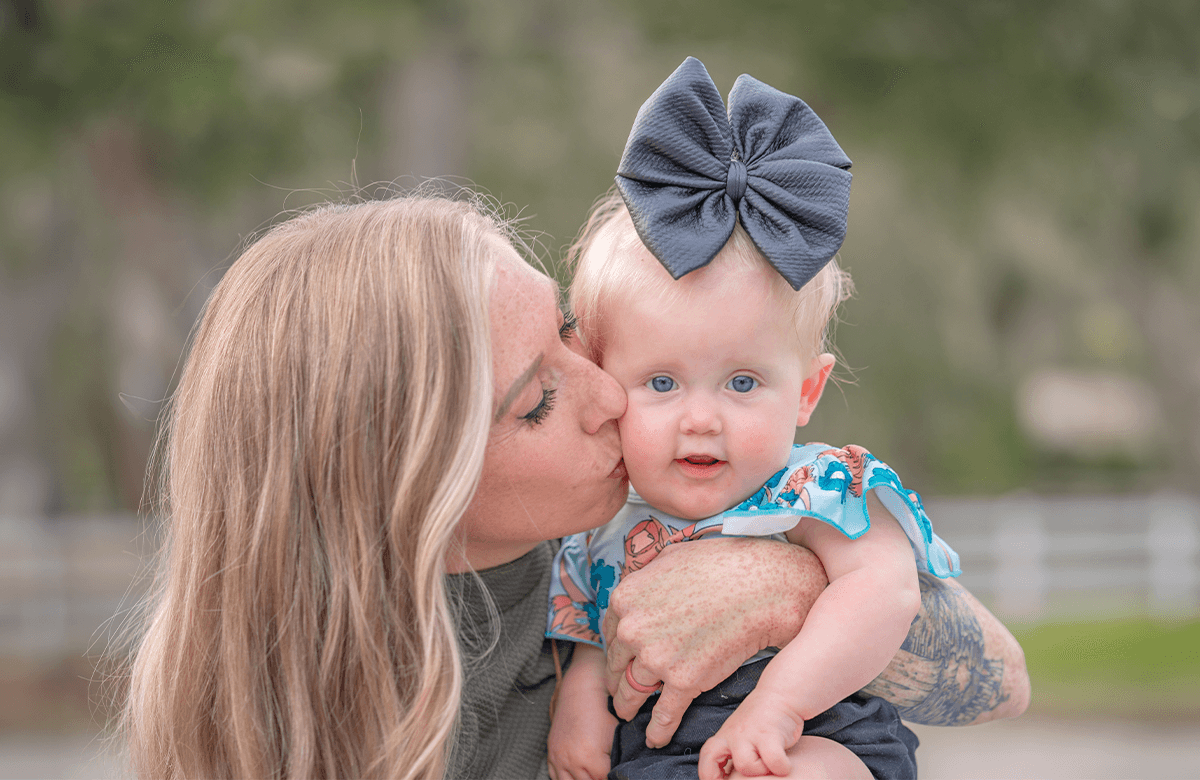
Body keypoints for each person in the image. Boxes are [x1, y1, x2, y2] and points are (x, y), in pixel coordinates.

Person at [120, 190, 1028, 780]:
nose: (610, 397)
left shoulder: (640, 508)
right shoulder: (284, 727)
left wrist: (777, 585)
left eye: (570, 335)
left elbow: (995, 684)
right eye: (538, 398)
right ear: (412, 476)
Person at [545, 58, 992, 780]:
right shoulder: (598, 513)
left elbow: (883, 590)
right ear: (603, 380)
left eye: (743, 383)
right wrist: (579, 703)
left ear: (808, 392)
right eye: (662, 382)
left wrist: (779, 705)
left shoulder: (807, 487)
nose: (701, 419)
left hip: (806, 733)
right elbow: (588, 631)